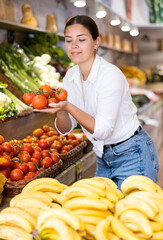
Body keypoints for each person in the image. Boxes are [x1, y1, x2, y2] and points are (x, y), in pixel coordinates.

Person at [35, 15, 159, 190]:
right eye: (69, 40)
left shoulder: (110, 75)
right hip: (103, 157)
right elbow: (65, 128)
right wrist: (60, 108)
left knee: (130, 213)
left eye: (81, 39)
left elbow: (103, 129)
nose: (74, 46)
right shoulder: (70, 76)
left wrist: (68, 106)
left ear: (96, 42)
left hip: (133, 155)